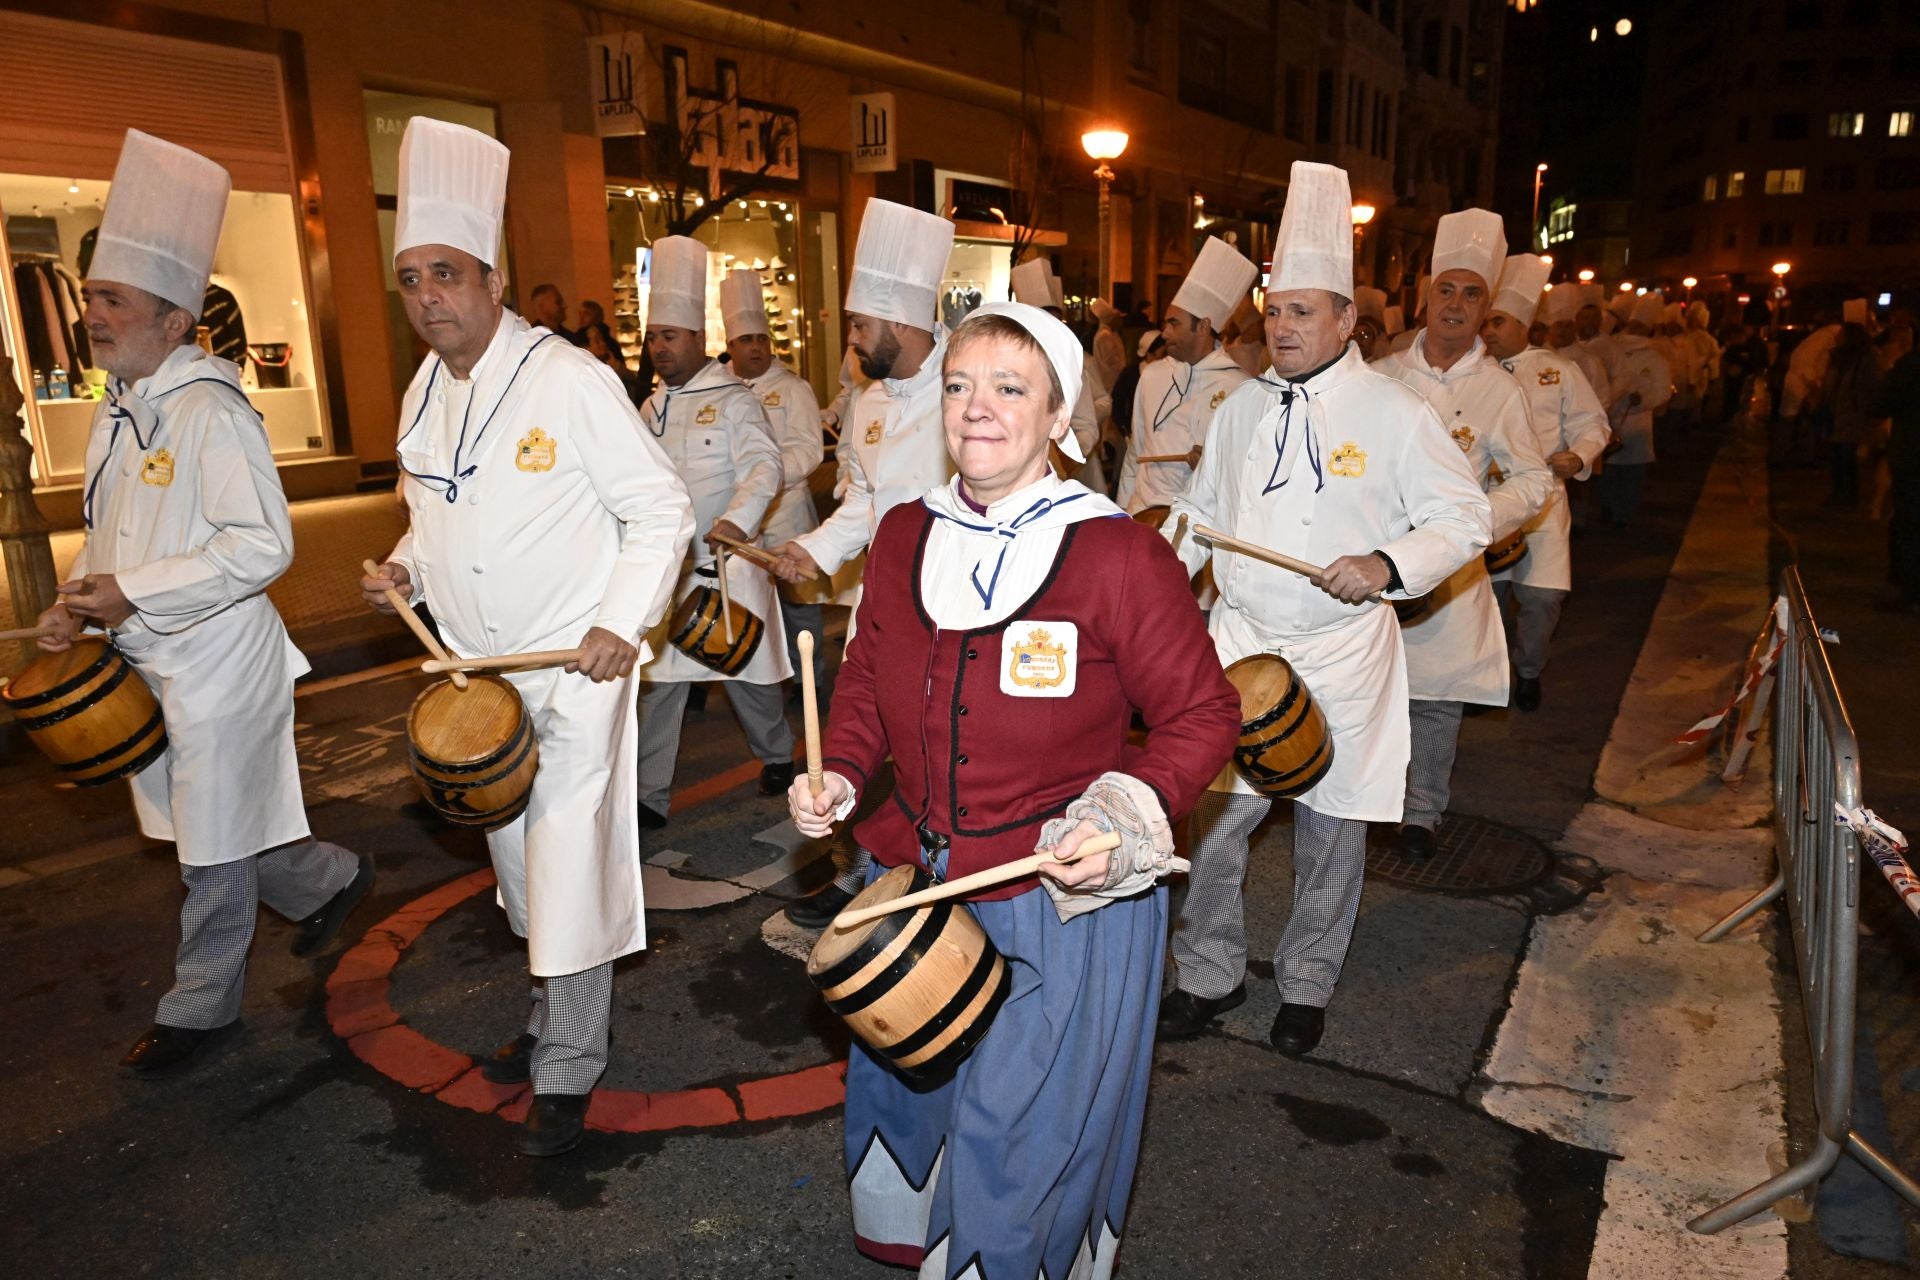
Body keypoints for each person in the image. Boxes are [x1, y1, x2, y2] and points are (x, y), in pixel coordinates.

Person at [788, 300, 1241, 1278]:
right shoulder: (907, 531)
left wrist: (1125, 809)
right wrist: (841, 769)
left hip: (1059, 901)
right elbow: (866, 680)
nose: (975, 408)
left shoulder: (1120, 553)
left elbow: (1205, 714)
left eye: (1008, 387)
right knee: (911, 1104)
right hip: (919, 895)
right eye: (959, 384)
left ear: (1058, 415)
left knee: (1016, 1140)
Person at [360, 119, 693, 1156]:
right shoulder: (422, 389)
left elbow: (661, 508)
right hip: (480, 684)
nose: (428, 297)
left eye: (446, 273)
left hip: (573, 668)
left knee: (566, 862)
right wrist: (405, 565)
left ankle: (568, 1065)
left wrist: (617, 624)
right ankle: (554, 1019)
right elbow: (435, 506)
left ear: (495, 279)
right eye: (411, 278)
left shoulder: (570, 378)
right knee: (516, 867)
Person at [36, 130, 372, 1078]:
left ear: (176, 320)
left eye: (112, 300)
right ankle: (335, 881)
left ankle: (201, 1010)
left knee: (210, 850)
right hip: (148, 660)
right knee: (206, 825)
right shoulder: (119, 406)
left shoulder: (212, 412)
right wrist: (81, 608)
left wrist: (133, 591)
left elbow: (264, 546)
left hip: (222, 664)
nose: (93, 315)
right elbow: (110, 534)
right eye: (92, 298)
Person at [1157, 162, 1491, 1052]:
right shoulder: (1237, 410)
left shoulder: (1396, 412)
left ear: (1347, 318)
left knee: (1330, 835)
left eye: (1302, 311)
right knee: (1218, 826)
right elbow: (1202, 515)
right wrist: (1153, 588)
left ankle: (1305, 984)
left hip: (1343, 654)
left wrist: (1386, 562)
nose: (1281, 327)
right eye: (1272, 310)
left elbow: (1466, 516)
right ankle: (1209, 974)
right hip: (1241, 642)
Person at [770, 198, 956, 927]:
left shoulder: (965, 387)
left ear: (902, 321)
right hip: (883, 604)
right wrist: (808, 550)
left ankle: (918, 878)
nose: (850, 337)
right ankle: (862, 872)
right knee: (859, 741)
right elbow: (867, 503)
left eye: (859, 323)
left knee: (931, 753)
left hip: (953, 606)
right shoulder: (871, 403)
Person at [1378, 209, 1551, 860]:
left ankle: (1421, 812)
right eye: (1446, 289)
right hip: (1380, 560)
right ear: (1425, 296)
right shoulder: (1383, 375)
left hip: (1449, 570)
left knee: (1436, 698)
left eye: (1471, 293)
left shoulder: (1500, 391)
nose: (1455, 304)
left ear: (1487, 308)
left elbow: (1533, 480)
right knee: (1373, 689)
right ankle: (1372, 797)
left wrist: (1474, 520)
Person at [635, 238, 795, 823]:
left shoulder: (734, 401)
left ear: (699, 341)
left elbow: (765, 464)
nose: (659, 348)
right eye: (653, 337)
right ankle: (649, 797)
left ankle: (777, 755)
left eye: (670, 337)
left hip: (728, 564)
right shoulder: (650, 408)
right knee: (661, 687)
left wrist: (737, 518)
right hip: (672, 574)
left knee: (748, 675)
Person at [1479, 255, 1611, 711]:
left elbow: (1593, 422)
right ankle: (1486, 681)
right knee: (1486, 602)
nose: (1488, 331)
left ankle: (1529, 669)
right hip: (1489, 506)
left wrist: (1579, 455)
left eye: (1497, 322)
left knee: (1541, 599)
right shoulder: (1472, 375)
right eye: (1485, 323)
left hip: (1544, 508)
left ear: (1522, 324)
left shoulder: (1559, 370)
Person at [719, 267, 827, 692]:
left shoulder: (794, 388)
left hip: (786, 515)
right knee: (750, 608)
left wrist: (766, 477)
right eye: (747, 340)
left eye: (762, 339)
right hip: (739, 521)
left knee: (799, 607)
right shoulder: (718, 390)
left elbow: (810, 449)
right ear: (729, 346)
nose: (757, 347)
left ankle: (810, 686)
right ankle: (764, 684)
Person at [1114, 237, 1258, 514]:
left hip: (1196, 521)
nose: (1164, 333)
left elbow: (1247, 471)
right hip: (1142, 513)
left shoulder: (1240, 386)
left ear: (1203, 326)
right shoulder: (1152, 375)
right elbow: (1136, 452)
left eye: (1174, 324)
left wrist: (1213, 466)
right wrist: (1122, 516)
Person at [1598, 293, 1674, 527]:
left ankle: (1624, 515)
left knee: (1631, 475)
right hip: (1609, 418)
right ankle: (1608, 508)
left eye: (1640, 326)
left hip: (1636, 424)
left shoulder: (1654, 357)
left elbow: (1663, 390)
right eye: (1633, 324)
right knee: (1607, 472)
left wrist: (1642, 399)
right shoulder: (1611, 349)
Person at [1876, 342, 1920, 611]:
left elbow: (1880, 403)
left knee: (1910, 524)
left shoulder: (1910, 365)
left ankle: (1912, 592)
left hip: (1913, 458)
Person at [1824, 322, 1883, 508]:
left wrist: (1867, 413)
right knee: (1838, 456)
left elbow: (1870, 387)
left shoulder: (1866, 359)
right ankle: (1840, 494)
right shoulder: (1838, 358)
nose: (1837, 337)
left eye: (1841, 334)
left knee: (1846, 457)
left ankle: (1848, 496)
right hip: (1839, 413)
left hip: (1854, 414)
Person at [1090, 295, 1127, 391]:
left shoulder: (1111, 333)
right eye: (1118, 319)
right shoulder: (1105, 335)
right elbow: (1112, 361)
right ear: (1112, 319)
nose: (1121, 322)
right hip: (1110, 382)